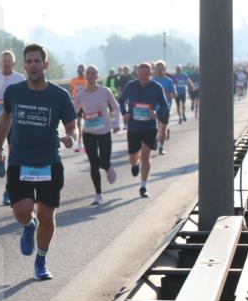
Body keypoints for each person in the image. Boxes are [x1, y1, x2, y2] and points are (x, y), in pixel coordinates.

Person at [0, 44, 77, 281]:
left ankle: (41, 260)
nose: (32, 65)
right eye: (28, 61)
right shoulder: (14, 92)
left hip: (49, 162)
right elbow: (6, 117)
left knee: (47, 216)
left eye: (37, 61)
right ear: (24, 65)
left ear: (45, 64)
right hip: (20, 161)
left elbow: (72, 125)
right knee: (22, 211)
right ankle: (28, 227)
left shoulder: (60, 96)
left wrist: (71, 137)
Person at [118, 62, 171, 198]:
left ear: (150, 73)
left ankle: (143, 186)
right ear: (137, 74)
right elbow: (121, 100)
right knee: (133, 157)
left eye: (146, 74)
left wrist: (156, 112)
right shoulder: (131, 86)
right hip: (134, 126)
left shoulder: (156, 87)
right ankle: (135, 164)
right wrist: (125, 113)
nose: (143, 76)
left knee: (146, 156)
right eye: (141, 74)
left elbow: (165, 105)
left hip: (149, 126)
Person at [74, 66, 121, 204]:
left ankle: (107, 166)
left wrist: (116, 123)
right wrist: (70, 122)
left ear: (97, 76)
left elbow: (116, 107)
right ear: (85, 76)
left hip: (105, 131)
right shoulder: (81, 94)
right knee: (94, 163)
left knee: (104, 160)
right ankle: (98, 194)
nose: (90, 75)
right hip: (89, 132)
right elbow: (73, 110)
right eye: (88, 73)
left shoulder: (104, 91)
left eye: (93, 73)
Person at [0, 50, 27, 205]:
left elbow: (25, 95)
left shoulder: (19, 78)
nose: (6, 62)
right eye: (3, 60)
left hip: (13, 120)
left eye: (9, 60)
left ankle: (8, 191)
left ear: (14, 63)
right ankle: (0, 159)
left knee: (14, 154)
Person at [152, 60, 175, 155]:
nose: (160, 70)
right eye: (158, 69)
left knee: (163, 129)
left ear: (165, 69)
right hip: (153, 108)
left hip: (165, 108)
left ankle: (161, 147)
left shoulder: (169, 81)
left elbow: (174, 94)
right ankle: (156, 139)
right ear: (155, 70)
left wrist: (169, 95)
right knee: (156, 129)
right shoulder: (152, 80)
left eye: (162, 69)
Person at [68, 64, 87, 152]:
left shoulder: (87, 79)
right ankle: (79, 144)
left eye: (81, 70)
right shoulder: (74, 80)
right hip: (77, 104)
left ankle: (88, 143)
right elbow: (71, 92)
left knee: (88, 124)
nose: (80, 72)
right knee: (78, 124)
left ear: (84, 71)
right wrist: (72, 99)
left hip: (87, 104)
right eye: (78, 71)